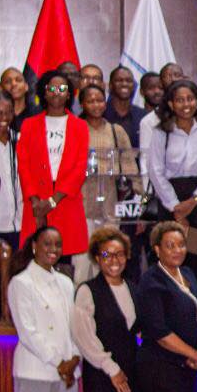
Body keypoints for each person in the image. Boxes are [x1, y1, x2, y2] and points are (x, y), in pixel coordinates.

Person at [141, 79, 197, 277]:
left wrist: (194, 201)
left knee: (193, 255)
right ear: (171, 104)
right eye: (180, 100)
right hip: (169, 201)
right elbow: (155, 170)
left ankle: (192, 293)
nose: (186, 104)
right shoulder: (161, 131)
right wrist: (176, 208)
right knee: (169, 255)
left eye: (190, 99)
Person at [134, 221, 197, 392]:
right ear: (157, 249)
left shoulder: (188, 273)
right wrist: (194, 354)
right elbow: (160, 333)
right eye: (170, 246)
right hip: (160, 369)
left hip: (187, 366)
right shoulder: (151, 280)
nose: (177, 250)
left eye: (181, 245)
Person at [7, 226, 80, 392]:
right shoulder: (21, 283)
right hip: (35, 371)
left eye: (58, 245)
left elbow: (74, 326)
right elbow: (27, 332)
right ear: (34, 246)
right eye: (47, 244)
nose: (53, 249)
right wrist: (59, 362)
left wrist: (74, 358)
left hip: (68, 374)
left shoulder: (65, 282)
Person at [18, 71, 89, 262]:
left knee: (63, 259)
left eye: (62, 88)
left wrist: (52, 201)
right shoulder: (29, 125)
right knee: (34, 258)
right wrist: (37, 203)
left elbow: (80, 168)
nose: (56, 92)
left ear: (69, 94)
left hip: (65, 199)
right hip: (36, 202)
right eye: (52, 88)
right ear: (44, 92)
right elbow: (23, 166)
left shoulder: (80, 126)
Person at [71, 227, 142, 392]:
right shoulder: (87, 291)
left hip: (132, 374)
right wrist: (112, 369)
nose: (114, 260)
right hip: (102, 375)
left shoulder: (134, 289)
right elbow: (84, 337)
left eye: (119, 254)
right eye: (106, 255)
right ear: (97, 258)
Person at [77, 86, 138, 263]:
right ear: (82, 104)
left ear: (105, 103)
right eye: (90, 101)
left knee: (107, 253)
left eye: (99, 100)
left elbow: (130, 166)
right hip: (83, 204)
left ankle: (105, 277)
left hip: (111, 204)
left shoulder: (116, 131)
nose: (96, 105)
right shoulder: (76, 129)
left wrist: (138, 202)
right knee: (83, 259)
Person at [103, 66, 147, 148]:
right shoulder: (100, 113)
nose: (124, 84)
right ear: (110, 85)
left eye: (129, 81)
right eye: (119, 80)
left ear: (133, 86)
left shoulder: (143, 116)